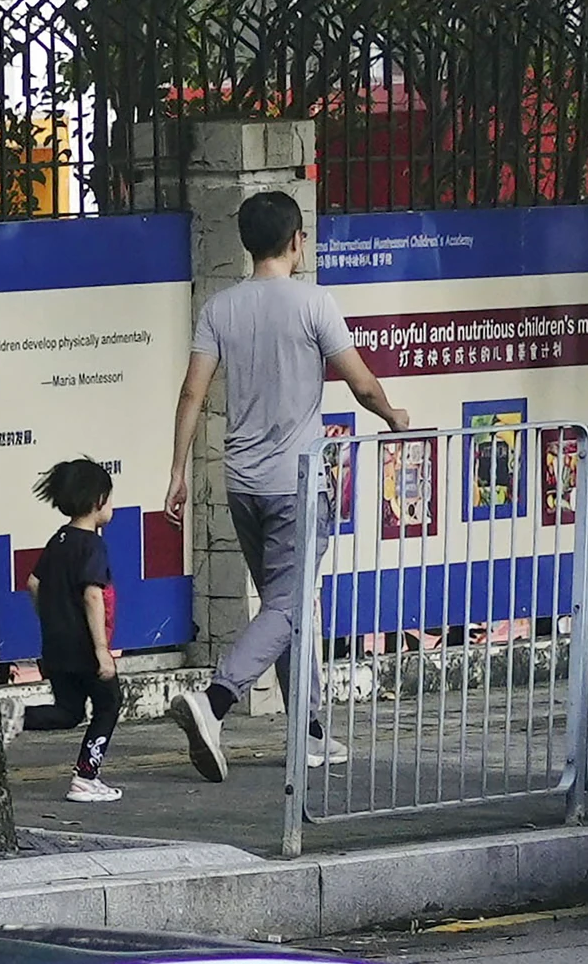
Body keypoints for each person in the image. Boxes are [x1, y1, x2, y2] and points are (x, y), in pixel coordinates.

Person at [163, 190, 408, 782]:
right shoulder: (314, 304)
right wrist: (395, 418)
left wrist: (177, 471)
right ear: (297, 240)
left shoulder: (220, 309)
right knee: (288, 604)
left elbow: (192, 392)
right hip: (296, 484)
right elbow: (363, 385)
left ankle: (311, 731)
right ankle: (214, 703)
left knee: (286, 606)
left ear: (247, 243)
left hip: (241, 483)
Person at [7, 458, 126, 802]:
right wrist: (102, 650)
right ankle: (86, 778)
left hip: (57, 647)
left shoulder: (59, 539)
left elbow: (33, 583)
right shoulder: (92, 545)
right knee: (109, 704)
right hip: (85, 648)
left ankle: (18, 717)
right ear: (98, 500)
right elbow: (92, 594)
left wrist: (52, 619)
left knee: (69, 711)